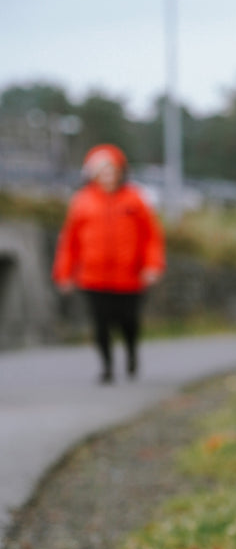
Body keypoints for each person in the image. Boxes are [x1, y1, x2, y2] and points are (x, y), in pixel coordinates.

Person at [52, 144, 165, 383]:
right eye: (101, 171)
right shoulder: (82, 201)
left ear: (120, 171)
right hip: (93, 277)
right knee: (100, 324)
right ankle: (107, 367)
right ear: (92, 174)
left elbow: (151, 237)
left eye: (111, 170)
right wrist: (64, 274)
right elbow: (69, 241)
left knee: (128, 322)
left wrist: (152, 266)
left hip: (130, 276)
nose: (107, 176)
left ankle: (131, 354)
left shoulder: (135, 199)